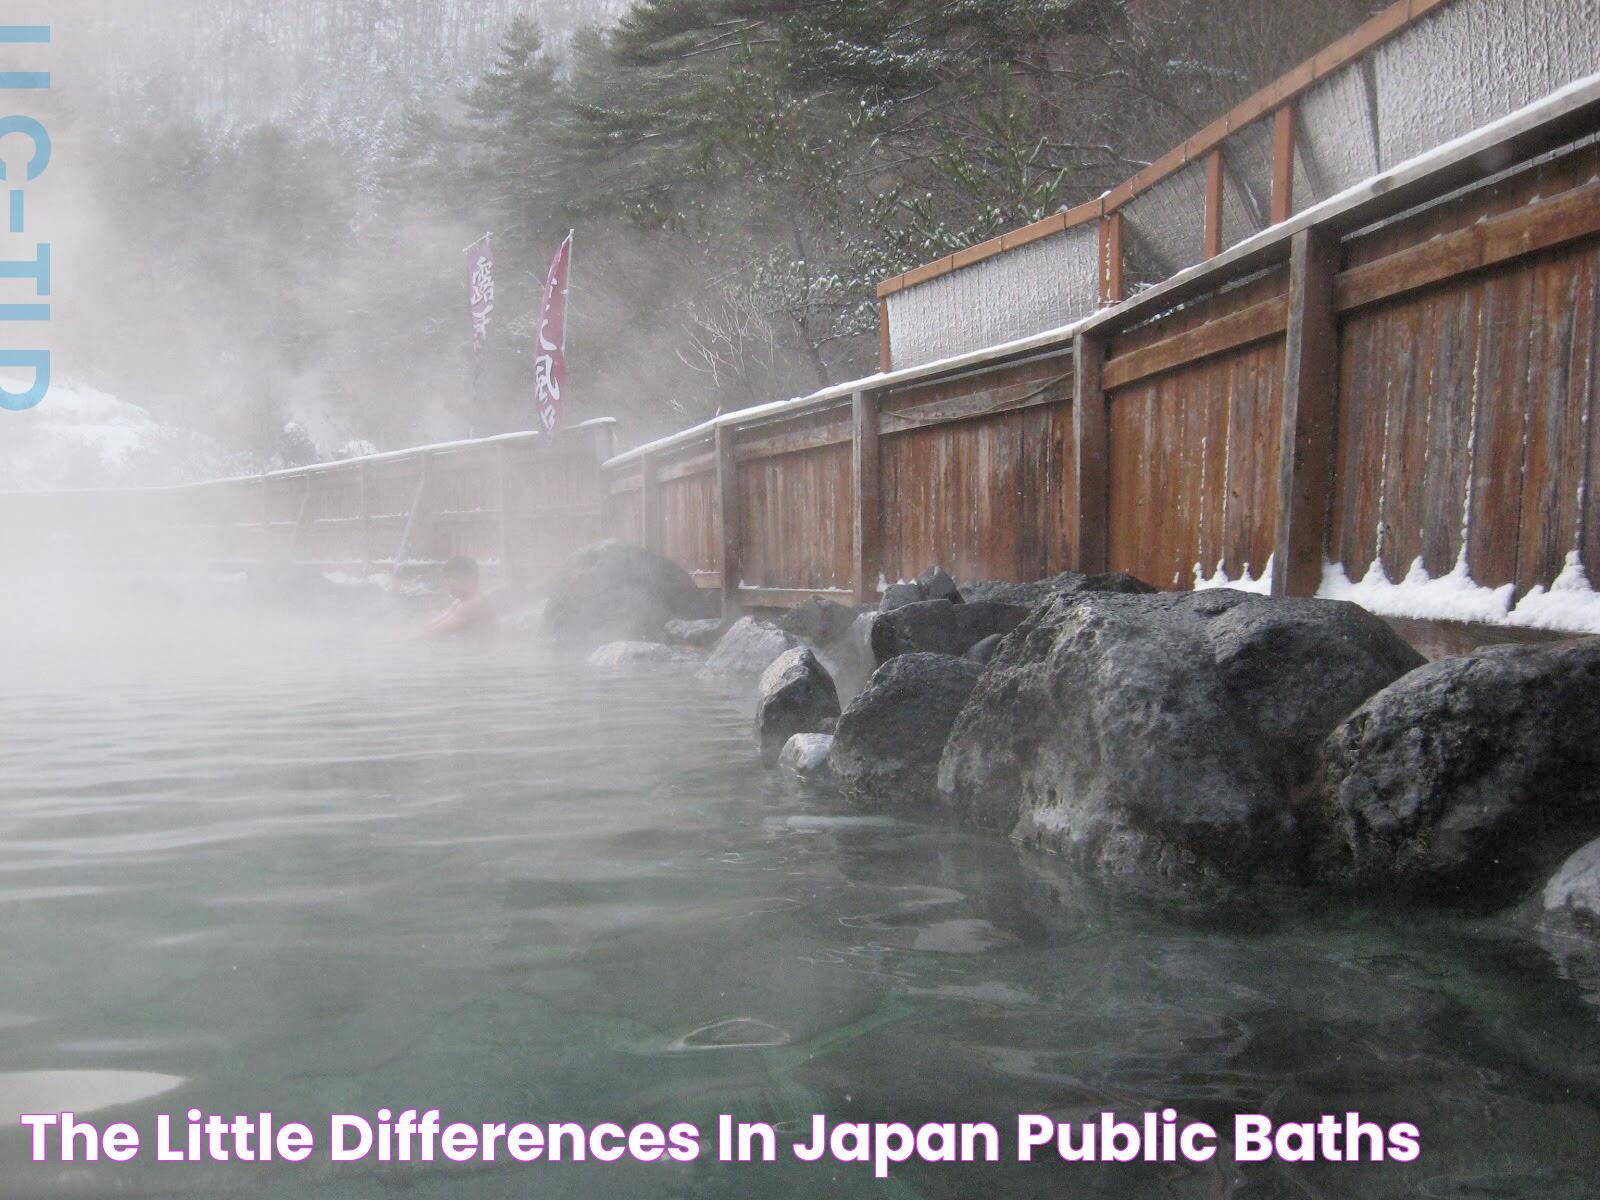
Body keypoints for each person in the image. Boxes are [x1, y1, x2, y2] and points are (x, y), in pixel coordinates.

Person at [422, 556, 497, 639]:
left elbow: (432, 634)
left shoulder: (472, 605)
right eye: (447, 578)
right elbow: (429, 627)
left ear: (471, 578)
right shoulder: (459, 602)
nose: (450, 583)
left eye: (455, 577)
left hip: (479, 650)